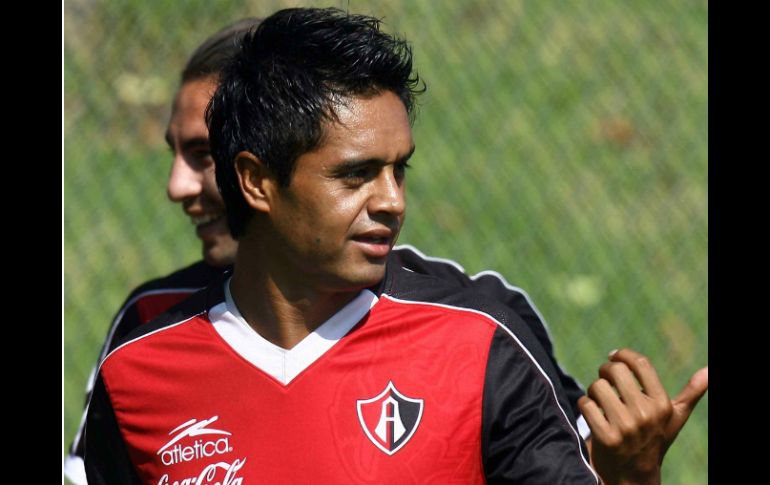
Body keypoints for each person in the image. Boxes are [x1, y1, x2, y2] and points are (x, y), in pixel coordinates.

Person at [68, 13, 707, 485]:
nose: (393, 201)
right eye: (356, 175)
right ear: (258, 181)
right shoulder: (140, 364)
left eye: (398, 170)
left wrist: (629, 482)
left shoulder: (478, 340)